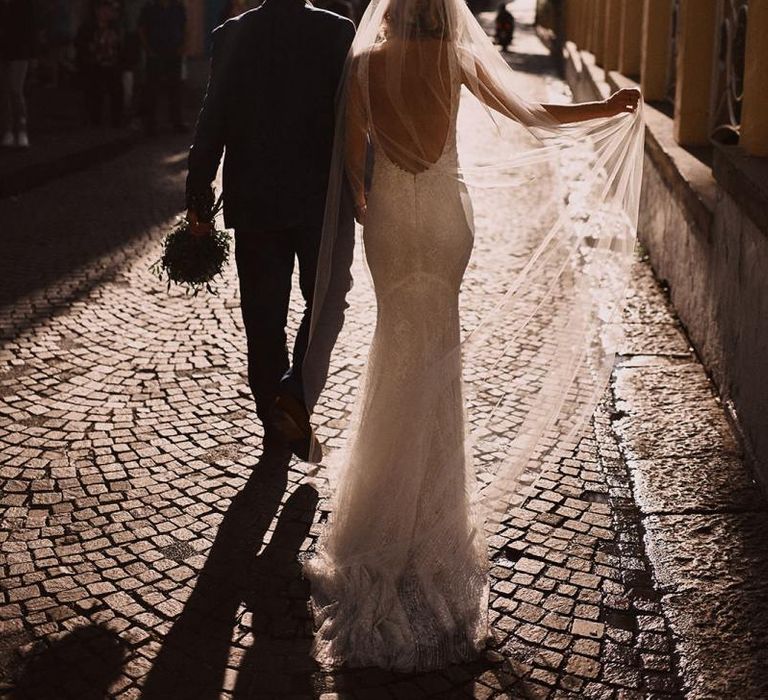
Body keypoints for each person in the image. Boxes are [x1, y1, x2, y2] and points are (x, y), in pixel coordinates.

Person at [300, 0, 643, 671]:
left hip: (395, 219)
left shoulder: (365, 62)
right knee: (439, 360)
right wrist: (608, 107)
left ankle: (378, 519)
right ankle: (434, 523)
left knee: (393, 352)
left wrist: (372, 206)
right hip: (449, 218)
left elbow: (351, 159)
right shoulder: (456, 58)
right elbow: (534, 115)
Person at [185, 1, 355, 460]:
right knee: (326, 303)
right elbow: (355, 120)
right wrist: (364, 189)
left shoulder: (232, 34)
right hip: (321, 200)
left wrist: (198, 196)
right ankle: (294, 397)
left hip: (255, 200)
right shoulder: (338, 32)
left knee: (263, 319)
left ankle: (274, 421)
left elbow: (212, 118)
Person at [138, 0, 187, 135]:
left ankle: (176, 122)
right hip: (155, 53)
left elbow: (184, 27)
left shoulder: (177, 7)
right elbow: (142, 29)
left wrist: (182, 46)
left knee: (175, 89)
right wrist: (148, 50)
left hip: (173, 52)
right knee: (152, 89)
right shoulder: (150, 8)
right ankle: (150, 124)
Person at [76, 0, 124, 127]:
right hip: (94, 65)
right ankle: (95, 119)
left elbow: (120, 45)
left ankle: (116, 119)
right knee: (95, 93)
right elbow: (80, 44)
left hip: (112, 64)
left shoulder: (115, 27)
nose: (106, 13)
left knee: (116, 92)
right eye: (104, 10)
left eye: (108, 10)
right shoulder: (88, 27)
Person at [0, 0, 37, 148]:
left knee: (15, 90)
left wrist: (33, 53)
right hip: (3, 50)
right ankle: (7, 129)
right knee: (4, 92)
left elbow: (30, 27)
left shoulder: (24, 3)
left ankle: (21, 129)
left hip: (19, 51)